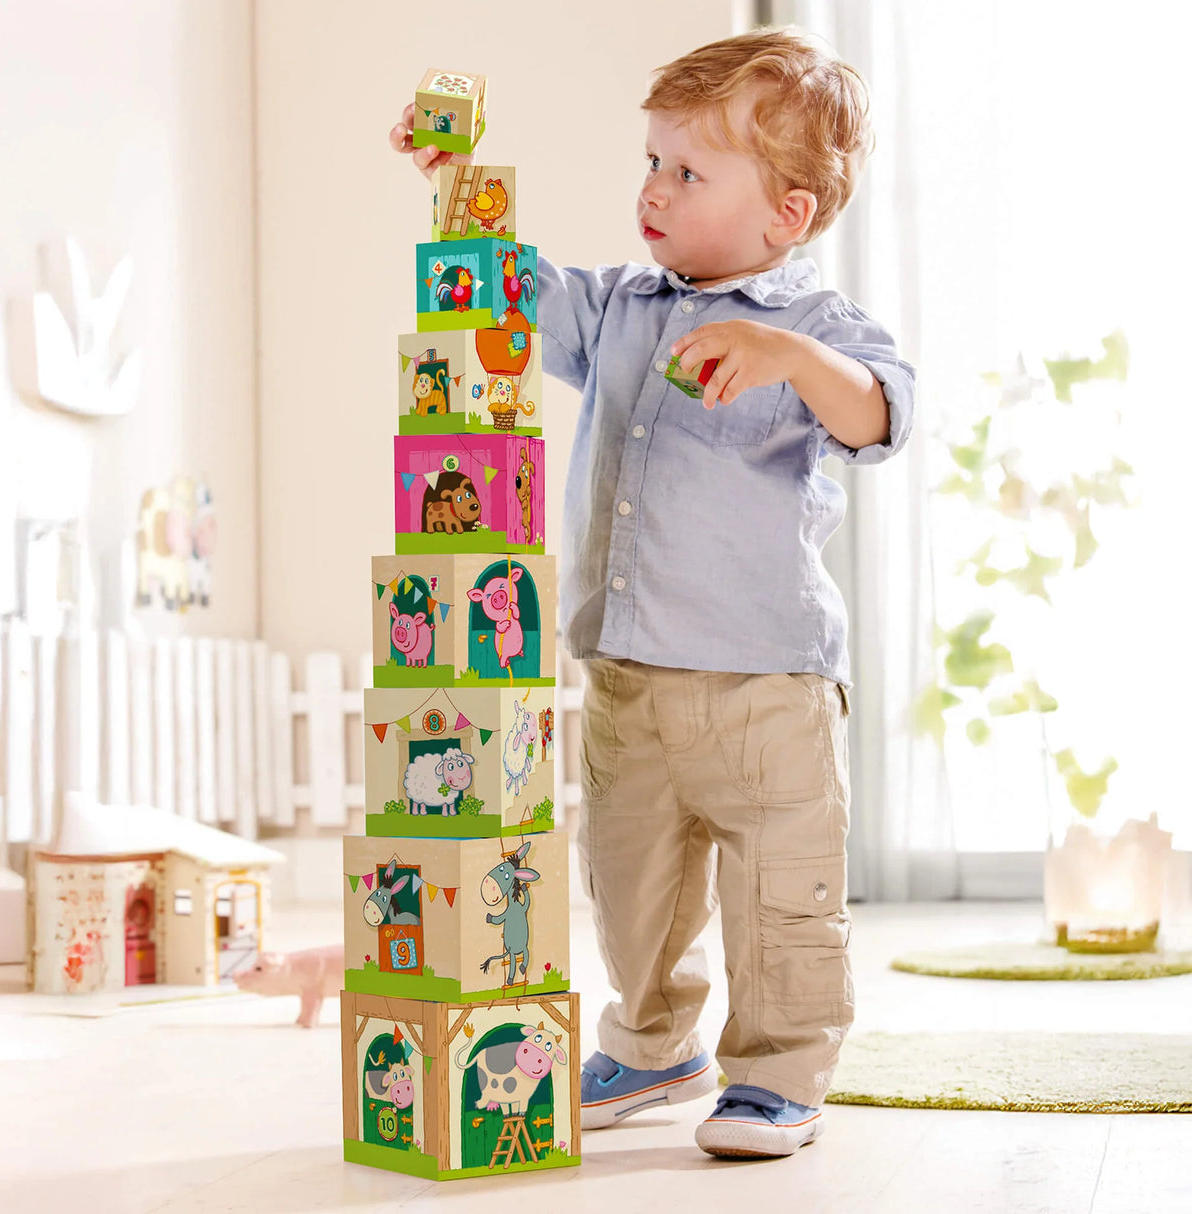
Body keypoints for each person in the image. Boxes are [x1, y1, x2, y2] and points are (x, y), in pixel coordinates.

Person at [391, 27, 915, 1160]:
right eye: (650, 162)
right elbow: (510, 287)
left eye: (687, 170)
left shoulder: (818, 331)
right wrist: (452, 184)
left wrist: (787, 361)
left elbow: (879, 410)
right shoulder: (619, 304)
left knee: (779, 894)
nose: (653, 190)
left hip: (763, 676)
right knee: (630, 881)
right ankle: (649, 1039)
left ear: (786, 212)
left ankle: (776, 1070)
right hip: (626, 668)